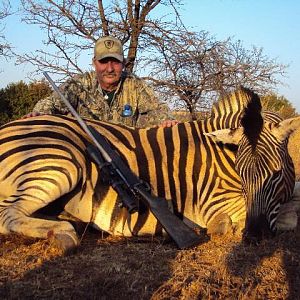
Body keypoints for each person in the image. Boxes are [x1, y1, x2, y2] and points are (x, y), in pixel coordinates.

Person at [26, 36, 177, 128]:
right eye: (104, 62)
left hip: (125, 155)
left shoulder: (135, 85)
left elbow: (159, 109)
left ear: (123, 63)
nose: (110, 69)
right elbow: (53, 103)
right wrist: (39, 113)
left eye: (115, 62)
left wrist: (168, 121)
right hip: (88, 155)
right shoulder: (79, 84)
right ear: (94, 63)